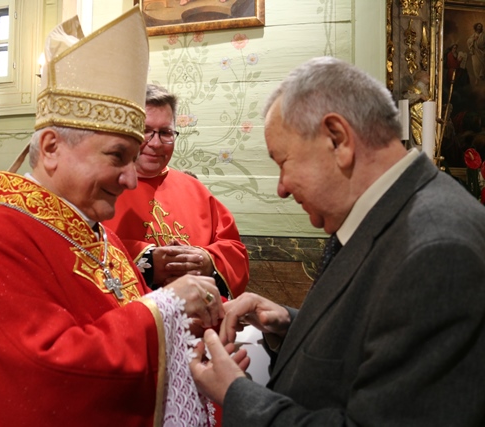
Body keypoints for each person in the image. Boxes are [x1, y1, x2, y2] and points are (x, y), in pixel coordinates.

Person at [0, 9, 223, 426]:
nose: (130, 179)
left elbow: (132, 321)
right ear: (51, 148)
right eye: (117, 157)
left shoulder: (102, 236)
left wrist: (199, 327)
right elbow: (50, 373)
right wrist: (169, 305)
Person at [189, 57, 485, 426]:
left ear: (338, 139)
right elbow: (375, 338)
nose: (281, 188)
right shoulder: (389, 212)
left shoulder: (436, 251)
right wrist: (288, 324)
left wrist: (235, 393)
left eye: (283, 162)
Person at [103, 84, 249, 299]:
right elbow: (81, 249)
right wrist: (148, 260)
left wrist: (206, 260)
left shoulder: (195, 190)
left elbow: (235, 252)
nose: (156, 143)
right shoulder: (101, 187)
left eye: (165, 133)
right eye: (145, 131)